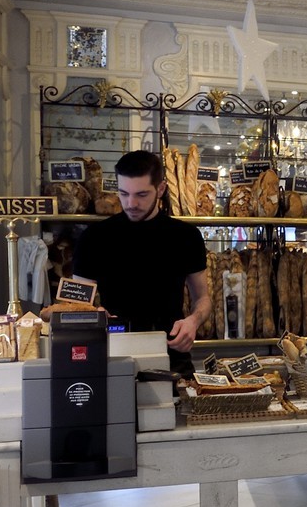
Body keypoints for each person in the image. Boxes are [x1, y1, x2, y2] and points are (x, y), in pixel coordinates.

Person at [72, 150, 209, 374]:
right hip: (112, 355)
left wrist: (193, 321)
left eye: (142, 194)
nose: (131, 203)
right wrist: (94, 314)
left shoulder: (186, 237)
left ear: (161, 189)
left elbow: (203, 299)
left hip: (171, 356)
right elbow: (76, 305)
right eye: (124, 193)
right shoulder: (94, 238)